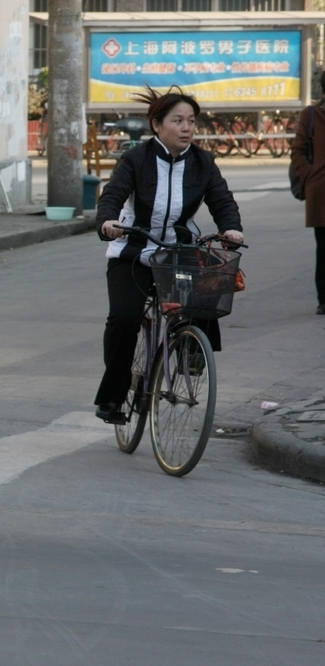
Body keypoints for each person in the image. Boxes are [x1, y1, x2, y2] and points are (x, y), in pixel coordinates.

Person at [94, 86, 244, 424]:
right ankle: (114, 396)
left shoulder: (203, 162)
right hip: (133, 253)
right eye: (178, 120)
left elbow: (222, 200)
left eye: (191, 121)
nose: (186, 128)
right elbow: (113, 193)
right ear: (157, 125)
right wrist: (108, 221)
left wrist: (231, 228)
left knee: (206, 294)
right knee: (124, 319)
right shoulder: (136, 159)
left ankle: (193, 350)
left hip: (179, 252)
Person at [289, 71, 325, 315]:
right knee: (324, 249)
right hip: (321, 193)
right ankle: (324, 299)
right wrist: (311, 175)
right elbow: (297, 151)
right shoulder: (311, 114)